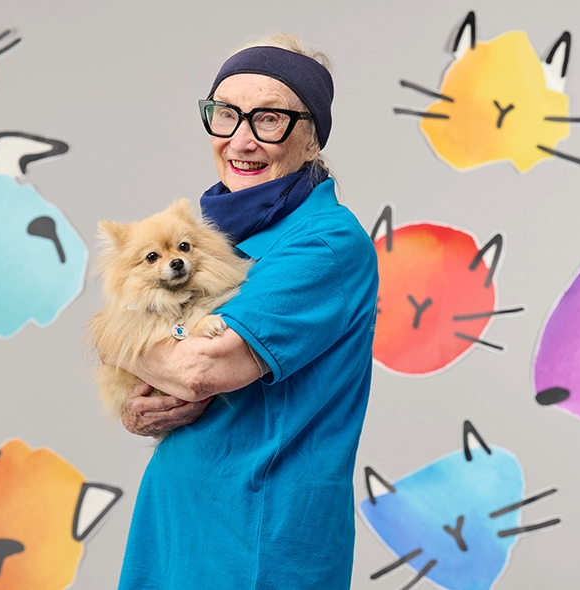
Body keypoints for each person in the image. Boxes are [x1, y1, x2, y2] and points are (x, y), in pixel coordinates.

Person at [112, 34, 379, 590]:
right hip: (180, 520)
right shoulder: (213, 240)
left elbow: (199, 369)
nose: (242, 140)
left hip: (258, 534)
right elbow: (165, 362)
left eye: (270, 120)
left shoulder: (323, 243)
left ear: (311, 140)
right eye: (226, 114)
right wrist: (138, 404)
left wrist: (118, 340)